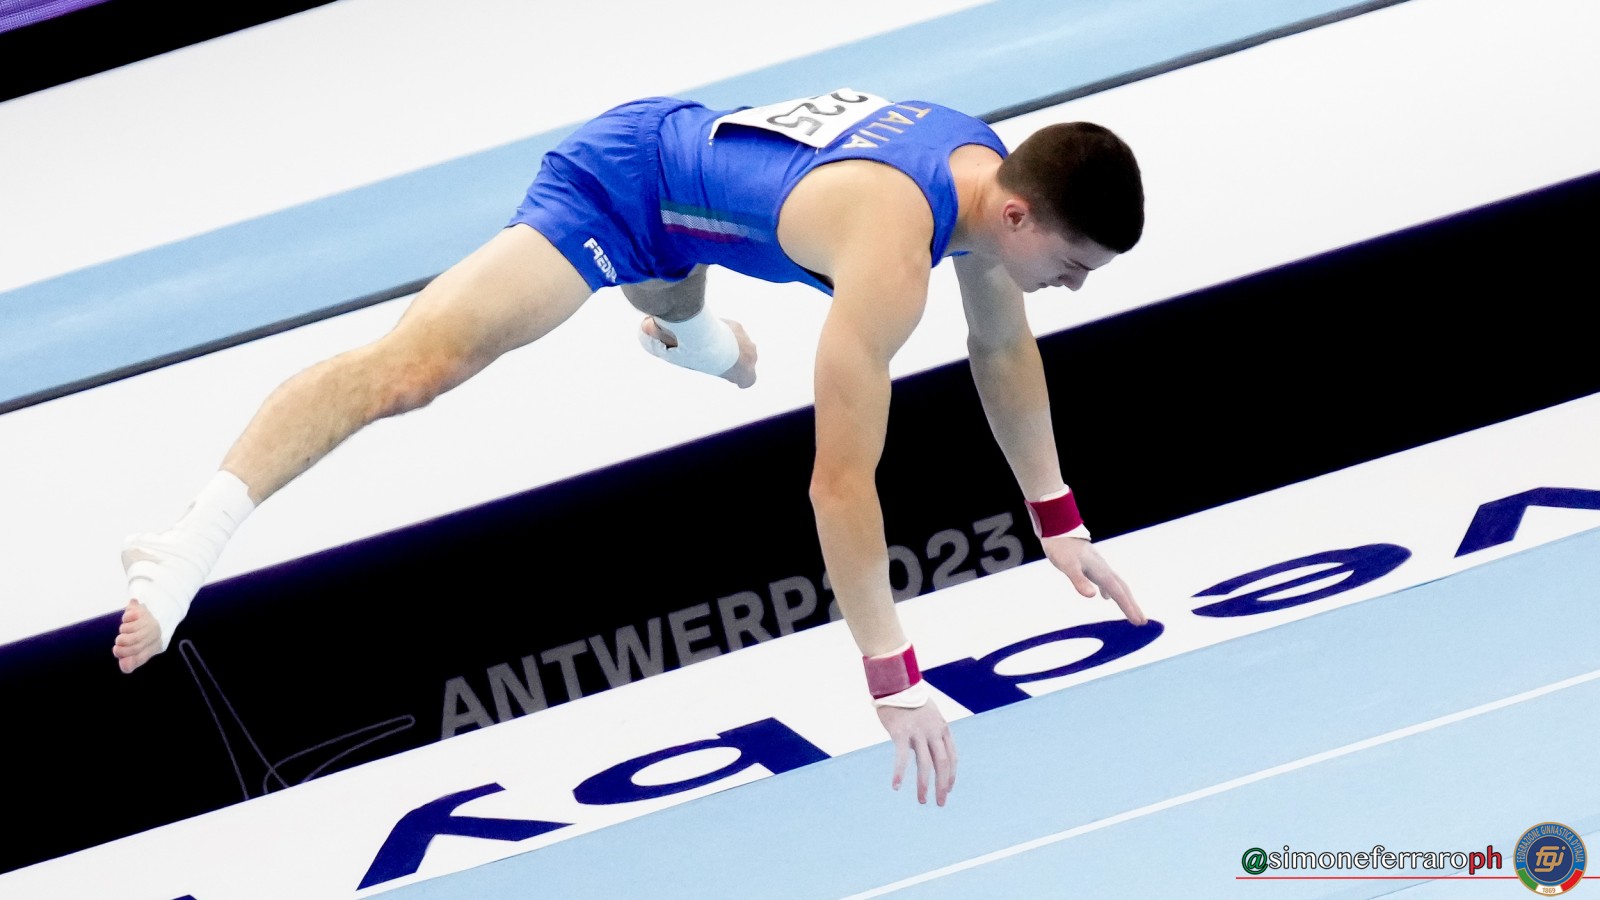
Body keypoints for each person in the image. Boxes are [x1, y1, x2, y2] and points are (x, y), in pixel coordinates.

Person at [113, 88, 1148, 807]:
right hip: (628, 185)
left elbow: (1001, 347)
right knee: (414, 369)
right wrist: (893, 675)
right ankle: (187, 541)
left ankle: (695, 338)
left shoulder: (982, 173)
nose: (1071, 286)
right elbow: (838, 486)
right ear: (1019, 214)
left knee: (694, 314)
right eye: (1072, 264)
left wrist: (1057, 520)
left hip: (704, 207)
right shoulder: (892, 261)